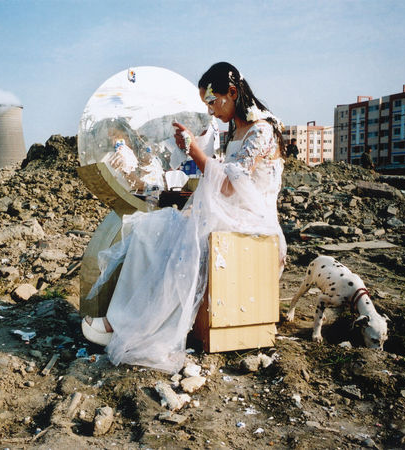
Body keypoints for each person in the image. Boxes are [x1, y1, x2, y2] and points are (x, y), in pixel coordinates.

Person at [81, 62, 287, 373]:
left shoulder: (261, 131)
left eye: (213, 102)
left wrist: (195, 152)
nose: (212, 111)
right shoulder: (236, 129)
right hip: (230, 213)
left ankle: (130, 324)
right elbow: (221, 177)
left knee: (178, 238)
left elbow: (232, 187)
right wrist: (193, 149)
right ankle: (124, 319)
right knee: (153, 229)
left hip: (251, 219)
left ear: (232, 93)